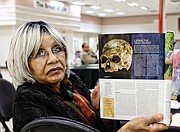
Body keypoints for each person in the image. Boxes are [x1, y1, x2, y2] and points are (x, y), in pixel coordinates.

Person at [7, 21, 170, 132]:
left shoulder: (71, 82)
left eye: (57, 49)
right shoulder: (28, 99)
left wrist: (100, 111)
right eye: (40, 53)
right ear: (23, 61)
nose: (53, 59)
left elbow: (99, 128)